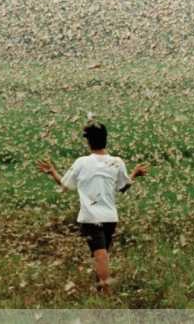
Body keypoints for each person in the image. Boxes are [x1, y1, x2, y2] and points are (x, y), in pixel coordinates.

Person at [37, 119, 148, 295]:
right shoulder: (117, 162)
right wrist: (135, 174)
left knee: (100, 256)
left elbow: (66, 186)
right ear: (106, 139)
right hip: (106, 218)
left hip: (96, 218)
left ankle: (102, 293)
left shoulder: (82, 162)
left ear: (88, 142)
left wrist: (52, 172)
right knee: (101, 255)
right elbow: (124, 187)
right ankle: (106, 294)